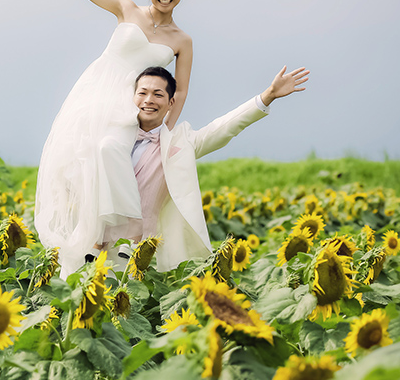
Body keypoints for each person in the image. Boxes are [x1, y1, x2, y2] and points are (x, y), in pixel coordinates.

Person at [2, 0, 193, 273]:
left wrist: (165, 131)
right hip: (94, 93)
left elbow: (181, 91)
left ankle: (126, 231)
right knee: (83, 167)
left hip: (130, 104)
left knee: (109, 149)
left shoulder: (182, 40)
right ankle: (94, 239)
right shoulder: (126, 8)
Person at [71, 63, 310, 277]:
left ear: (170, 102)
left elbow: (223, 128)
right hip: (91, 241)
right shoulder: (108, 137)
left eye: (157, 94)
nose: (148, 100)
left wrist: (268, 95)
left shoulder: (181, 142)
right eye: (142, 93)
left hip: (138, 251)